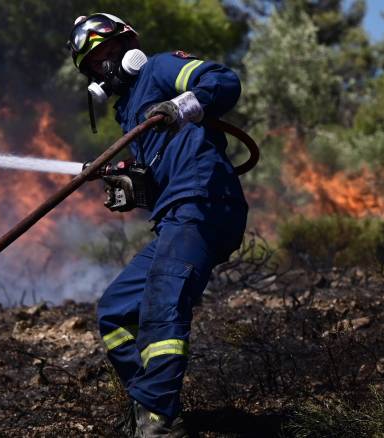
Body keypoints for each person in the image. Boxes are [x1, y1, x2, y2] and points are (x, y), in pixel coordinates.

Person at [68, 13, 249, 437]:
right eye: (94, 64)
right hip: (174, 214)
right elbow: (157, 169)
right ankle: (146, 403)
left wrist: (183, 103)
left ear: (128, 45)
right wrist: (126, 182)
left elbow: (224, 80)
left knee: (162, 304)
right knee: (116, 312)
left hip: (203, 201)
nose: (104, 66)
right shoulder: (129, 112)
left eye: (107, 53)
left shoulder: (160, 68)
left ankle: (157, 419)